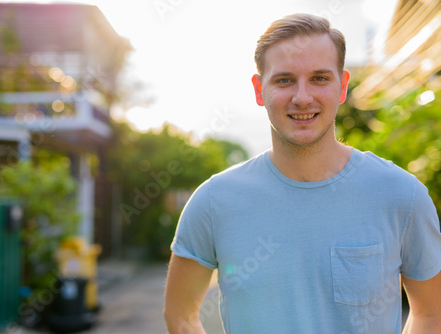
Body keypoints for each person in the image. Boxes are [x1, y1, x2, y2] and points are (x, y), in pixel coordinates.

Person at [164, 13, 441, 334]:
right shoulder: (214, 202)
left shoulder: (402, 196)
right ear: (258, 89)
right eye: (284, 80)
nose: (302, 97)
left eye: (319, 78)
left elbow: (431, 313)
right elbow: (181, 316)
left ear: (342, 86)